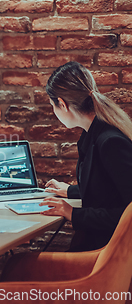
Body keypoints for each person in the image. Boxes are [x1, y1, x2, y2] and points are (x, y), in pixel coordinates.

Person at [39, 61, 132, 252]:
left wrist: (73, 213)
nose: (53, 111)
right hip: (105, 247)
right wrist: (70, 191)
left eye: (52, 105)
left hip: (109, 255)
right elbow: (107, 190)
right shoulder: (94, 132)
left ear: (62, 104)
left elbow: (128, 212)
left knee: (19, 267)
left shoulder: (109, 142)